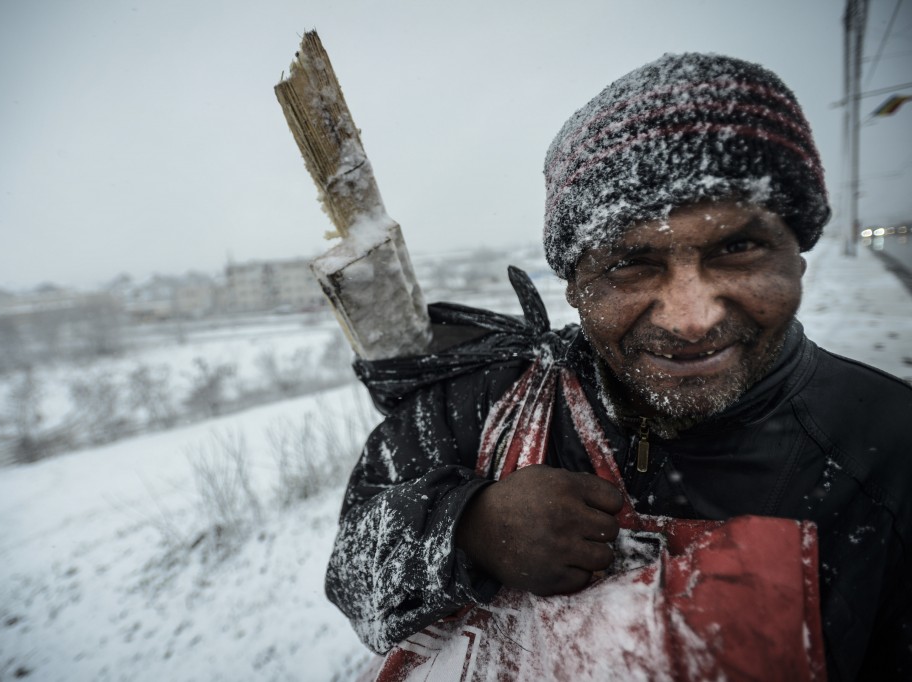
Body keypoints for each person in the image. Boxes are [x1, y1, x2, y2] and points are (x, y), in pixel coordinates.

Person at [325, 52, 912, 680]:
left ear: (798, 256)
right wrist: (468, 527)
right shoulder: (480, 406)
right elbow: (354, 581)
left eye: (737, 248)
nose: (692, 318)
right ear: (575, 288)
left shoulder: (889, 446)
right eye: (631, 264)